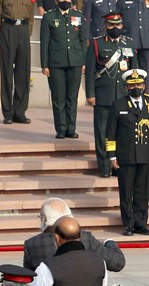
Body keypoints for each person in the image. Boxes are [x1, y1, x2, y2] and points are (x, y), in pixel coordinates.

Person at [86, 12, 136, 178]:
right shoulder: (96, 43)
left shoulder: (129, 44)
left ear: (122, 25)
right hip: (103, 95)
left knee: (121, 133)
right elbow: (90, 71)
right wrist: (90, 94)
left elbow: (134, 71)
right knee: (102, 133)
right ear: (106, 26)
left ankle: (117, 165)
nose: (115, 28)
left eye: (118, 25)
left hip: (122, 97)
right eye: (111, 25)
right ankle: (105, 166)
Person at [24, 197, 126, 273]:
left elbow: (28, 279)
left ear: (44, 219)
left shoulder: (32, 244)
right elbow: (117, 263)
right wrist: (109, 242)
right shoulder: (85, 238)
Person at [106, 68, 149, 236]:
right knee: (126, 192)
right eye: (132, 85)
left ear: (144, 85)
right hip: (126, 156)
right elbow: (110, 132)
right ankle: (128, 224)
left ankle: (141, 223)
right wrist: (112, 156)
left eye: (139, 84)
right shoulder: (119, 104)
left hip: (145, 155)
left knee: (142, 192)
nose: (136, 88)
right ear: (126, 87)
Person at [41, 0, 87, 140]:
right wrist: (45, 64)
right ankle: (61, 129)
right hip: (56, 63)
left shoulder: (78, 16)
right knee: (59, 97)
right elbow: (45, 42)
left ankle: (71, 129)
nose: (65, 1)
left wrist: (83, 62)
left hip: (75, 62)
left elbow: (82, 40)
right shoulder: (49, 17)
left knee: (72, 98)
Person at [0, 0, 36, 124]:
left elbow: (31, 16)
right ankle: (7, 113)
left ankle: (20, 112)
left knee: (23, 73)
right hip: (7, 29)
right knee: (6, 73)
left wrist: (27, 33)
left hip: (23, 30)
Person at [118, 0, 149, 70]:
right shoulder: (122, 1)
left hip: (145, 40)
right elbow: (117, 17)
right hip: (128, 39)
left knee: (146, 68)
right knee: (128, 67)